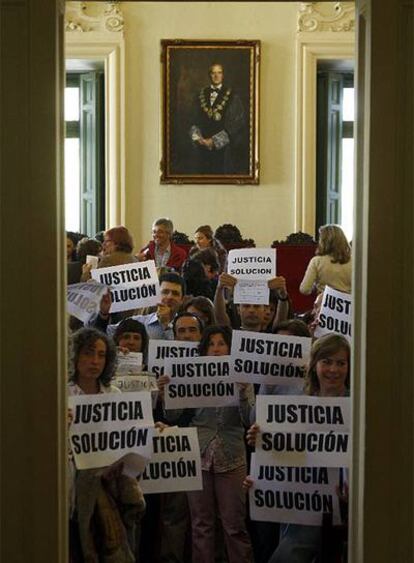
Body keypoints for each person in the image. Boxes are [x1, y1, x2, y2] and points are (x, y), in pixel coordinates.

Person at [246, 334, 350, 563]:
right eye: (327, 362)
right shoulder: (297, 404)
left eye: (341, 363)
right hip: (299, 498)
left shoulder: (357, 403)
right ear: (315, 366)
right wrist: (262, 451)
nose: (333, 369)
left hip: (343, 503)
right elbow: (284, 452)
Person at [68, 327, 146, 562]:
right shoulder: (61, 394)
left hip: (109, 489)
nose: (95, 361)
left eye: (101, 355)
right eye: (89, 353)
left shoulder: (115, 393)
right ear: (75, 356)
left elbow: (127, 441)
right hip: (71, 489)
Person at [189, 63, 248, 175]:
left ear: (223, 75)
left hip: (223, 151)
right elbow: (193, 121)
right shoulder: (200, 94)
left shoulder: (232, 96)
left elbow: (236, 125)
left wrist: (213, 141)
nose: (216, 76)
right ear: (209, 75)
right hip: (201, 149)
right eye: (213, 73)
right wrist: (198, 139)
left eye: (219, 72)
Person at [95, 272, 186, 341]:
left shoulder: (189, 327)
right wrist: (103, 314)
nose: (169, 297)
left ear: (182, 299)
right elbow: (102, 334)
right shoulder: (138, 322)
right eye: (165, 292)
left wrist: (166, 325)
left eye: (175, 293)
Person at [300, 224, 352, 295]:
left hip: (324, 303)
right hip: (348, 304)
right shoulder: (354, 261)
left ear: (323, 241)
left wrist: (316, 286)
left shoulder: (317, 261)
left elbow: (304, 289)